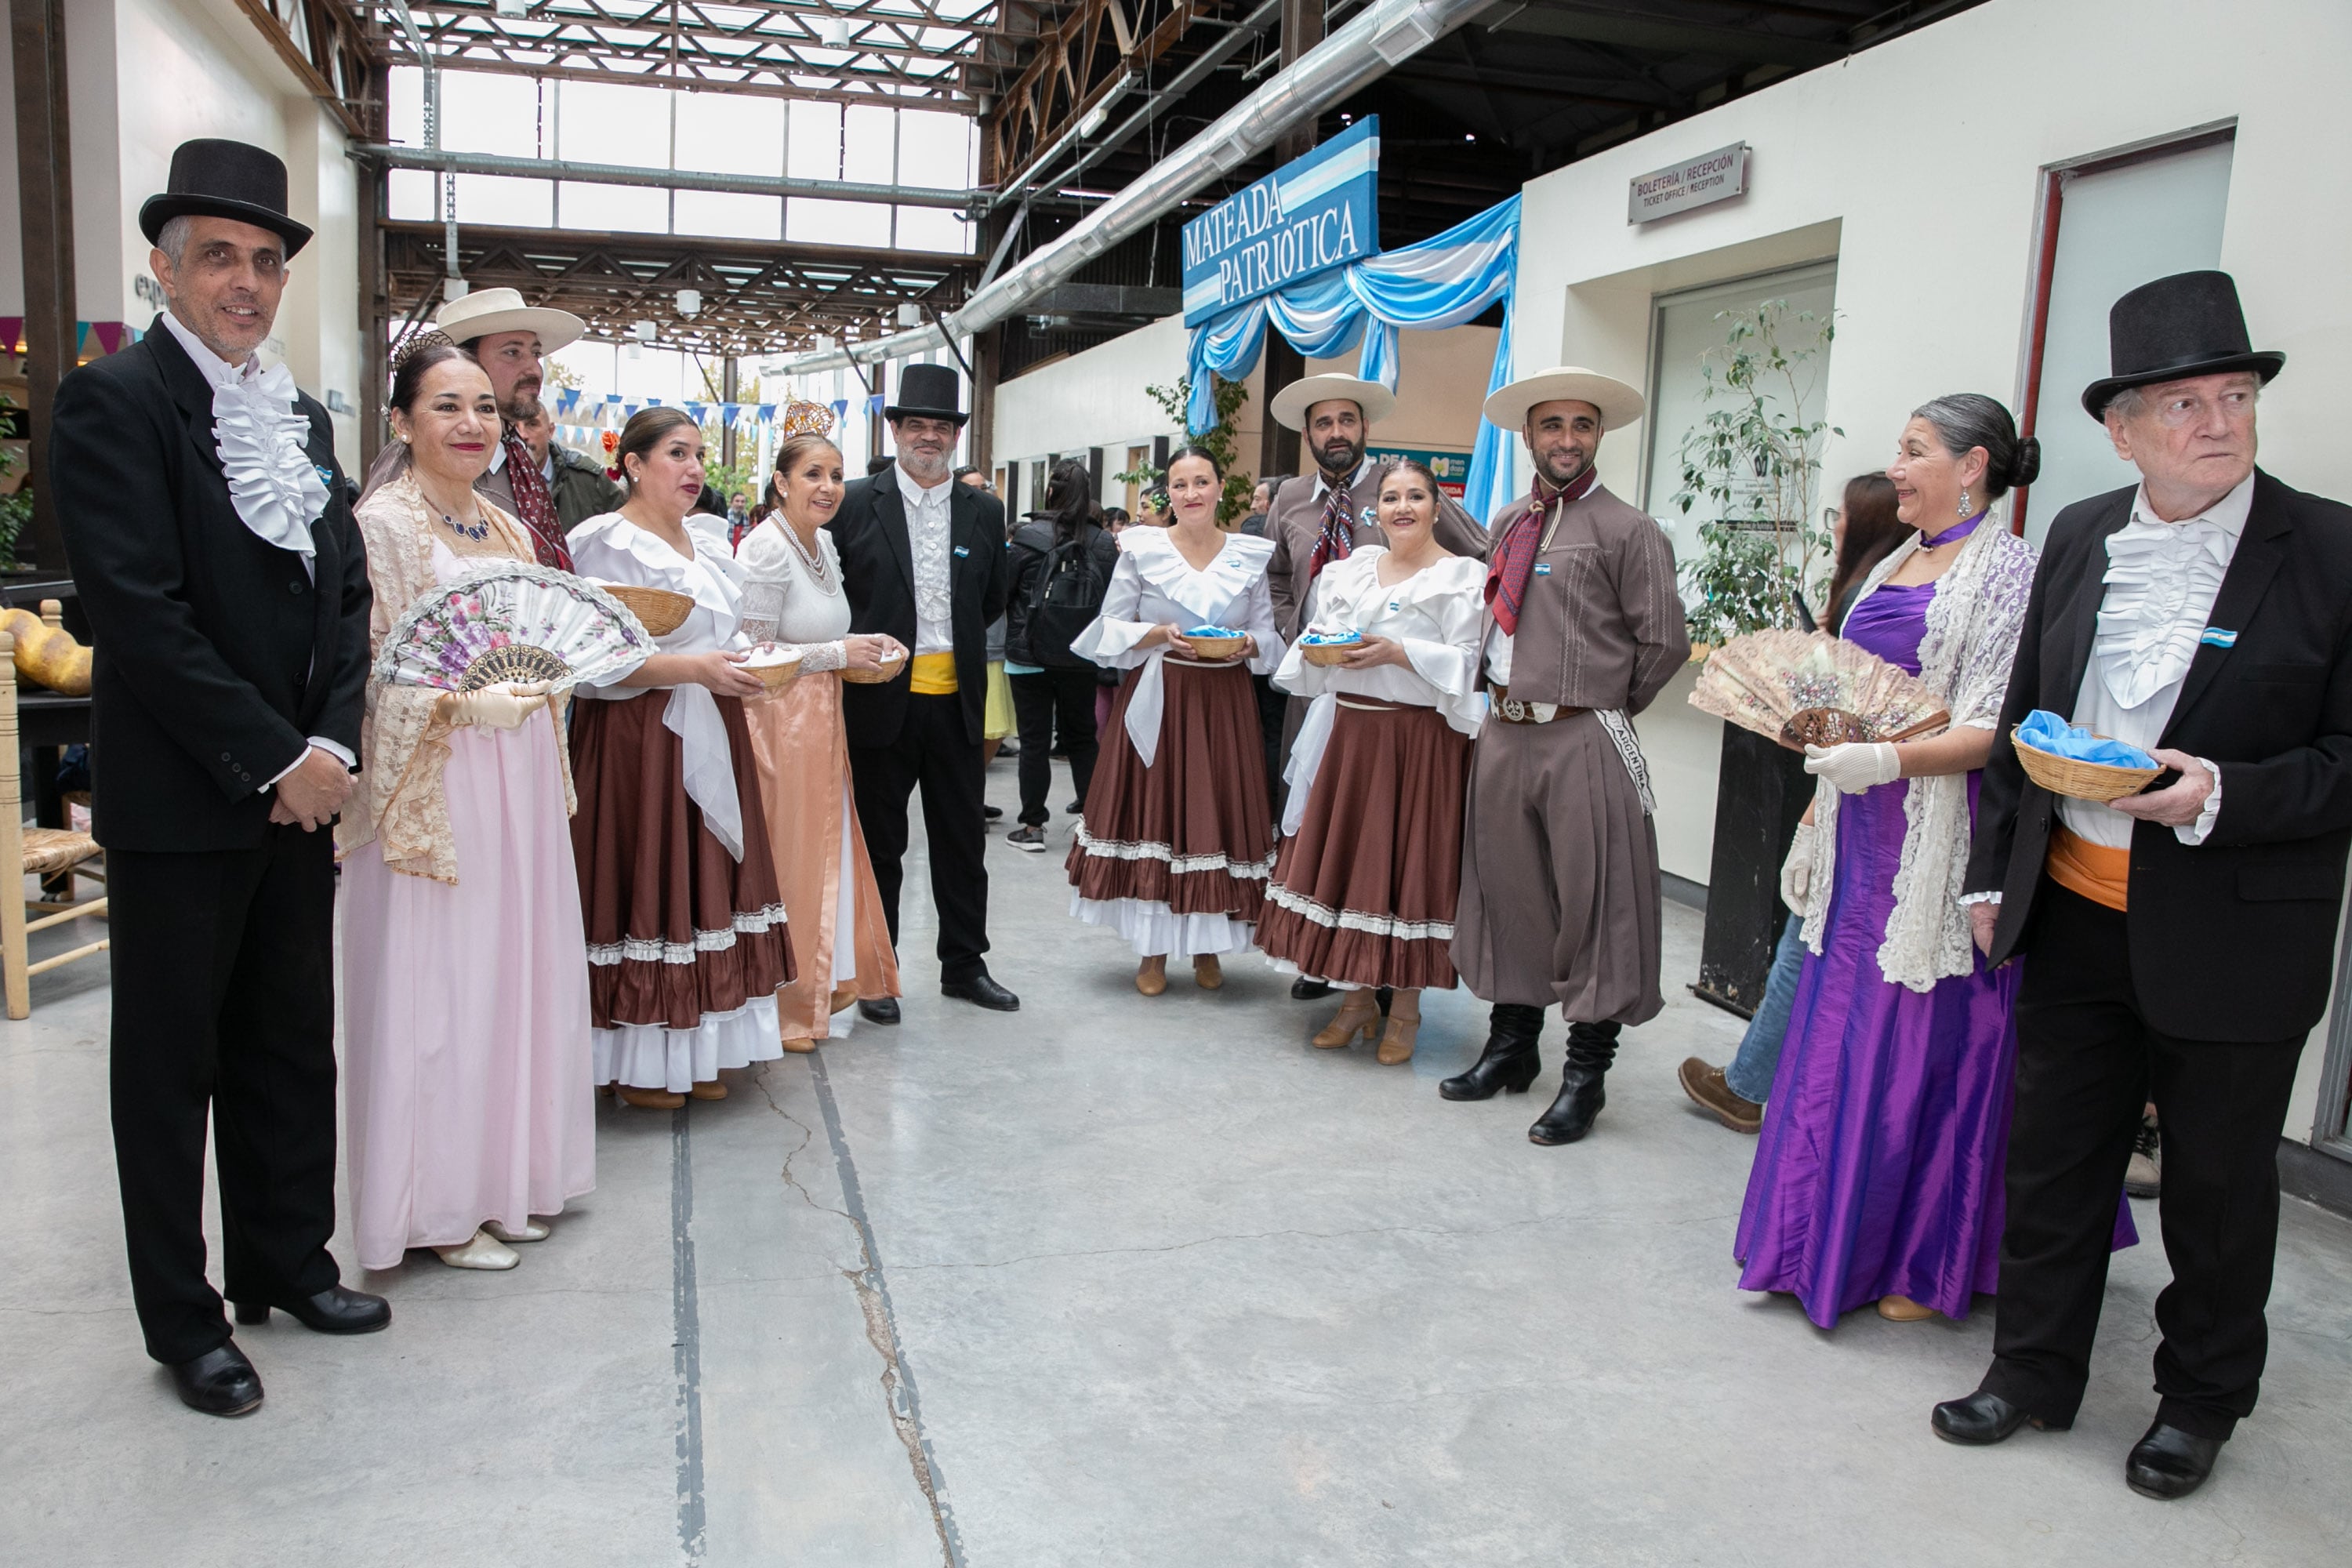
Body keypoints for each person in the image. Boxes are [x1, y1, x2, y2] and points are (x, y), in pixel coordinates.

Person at [1933, 271, 2352, 1501]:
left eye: (2235, 396)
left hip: (2234, 932)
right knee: (2053, 1160)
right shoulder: (2076, 533)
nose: (2218, 421)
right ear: (2122, 430)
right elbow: (2023, 723)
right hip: (2069, 911)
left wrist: (2220, 792)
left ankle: (2201, 1399)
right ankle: (2032, 1368)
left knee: (2218, 1193)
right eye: (2183, 404)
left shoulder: (2331, 548)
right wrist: (1989, 877)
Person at [51, 138, 387, 1417]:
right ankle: (183, 1322)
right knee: (170, 1066)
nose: (244, 282)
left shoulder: (297, 417)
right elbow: (139, 614)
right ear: (164, 268)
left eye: (263, 261)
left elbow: (346, 596)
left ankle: (286, 1264)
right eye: (217, 258)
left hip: (309, 792)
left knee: (291, 1042)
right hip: (191, 800)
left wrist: (337, 748)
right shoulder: (116, 401)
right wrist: (274, 756)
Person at [1735, 395, 2124, 1330]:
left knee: (1927, 1037)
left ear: (1974, 464)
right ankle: (1808, 1236)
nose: (1895, 468)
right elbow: (1853, 679)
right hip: (1859, 834)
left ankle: (1920, 1250)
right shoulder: (1896, 559)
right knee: (1838, 1026)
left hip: (1942, 834)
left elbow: (1997, 726)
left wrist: (1887, 758)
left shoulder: (2009, 572)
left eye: (1912, 451)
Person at [341, 336, 594, 1272]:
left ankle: (501, 1180)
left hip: (517, 768)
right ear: (402, 422)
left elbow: (539, 638)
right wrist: (451, 702)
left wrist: (543, 682)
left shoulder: (510, 528)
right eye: (447, 405)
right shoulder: (385, 527)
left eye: (485, 406)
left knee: (509, 974)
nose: (471, 424)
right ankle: (434, 1206)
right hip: (435, 780)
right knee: (440, 986)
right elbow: (366, 671)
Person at [1443, 367, 1688, 1145]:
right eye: (1552, 425)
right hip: (1505, 731)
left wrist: (1595, 703)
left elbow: (1663, 643)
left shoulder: (1628, 529)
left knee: (1598, 902)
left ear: (1599, 435)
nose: (1566, 439)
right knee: (1508, 892)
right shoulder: (1512, 519)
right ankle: (1512, 1046)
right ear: (1528, 436)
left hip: (1585, 733)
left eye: (1581, 425)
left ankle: (1586, 1077)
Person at [568, 409, 793, 1108]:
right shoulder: (604, 541)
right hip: (643, 738)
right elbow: (588, 661)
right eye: (676, 454)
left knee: (703, 884)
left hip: (711, 722)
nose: (694, 469)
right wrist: (694, 671)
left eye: (698, 455)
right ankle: (639, 1057)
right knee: (651, 882)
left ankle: (695, 1043)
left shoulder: (705, 544)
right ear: (632, 464)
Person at [1679, 473, 1906, 1131]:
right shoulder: (1870, 593)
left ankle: (1750, 1085)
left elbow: (1847, 719)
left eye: (1840, 515)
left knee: (1808, 940)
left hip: (1866, 798)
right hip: (1864, 794)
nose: (1831, 524)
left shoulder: (1872, 600)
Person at [1262, 374, 1486, 1000]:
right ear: (1308, 435)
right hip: (1326, 688)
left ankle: (1392, 987)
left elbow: (1482, 563)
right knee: (1330, 830)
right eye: (1323, 423)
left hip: (1409, 708)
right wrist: (1294, 628)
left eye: (1347, 421)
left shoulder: (1400, 485)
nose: (1336, 432)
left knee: (1397, 843)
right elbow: (1277, 576)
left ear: (1365, 428)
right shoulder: (1290, 501)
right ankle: (1330, 960)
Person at [826, 362, 1020, 1015]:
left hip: (957, 702)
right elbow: (835, 601)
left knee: (962, 843)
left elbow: (992, 599)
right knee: (882, 844)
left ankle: (965, 966)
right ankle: (879, 973)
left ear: (955, 436)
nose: (929, 437)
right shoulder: (854, 503)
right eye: (917, 425)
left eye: (941, 426)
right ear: (897, 430)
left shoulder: (984, 510)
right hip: (881, 701)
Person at [1067, 445, 1286, 993]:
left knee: (1218, 820)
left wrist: (1247, 644)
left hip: (1225, 704)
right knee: (1158, 819)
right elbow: (1108, 631)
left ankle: (1210, 947)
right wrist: (1159, 636)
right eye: (1180, 484)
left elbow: (1270, 639)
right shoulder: (1142, 550)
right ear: (1171, 493)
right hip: (1160, 697)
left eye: (1201, 482)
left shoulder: (1248, 557)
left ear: (1220, 489)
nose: (1191, 494)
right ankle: (1154, 951)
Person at [736, 407, 906, 1053]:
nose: (829, 486)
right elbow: (748, 652)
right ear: (781, 482)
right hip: (777, 722)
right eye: (812, 474)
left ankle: (820, 982)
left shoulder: (824, 544)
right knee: (790, 858)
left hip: (822, 719)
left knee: (827, 850)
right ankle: (781, 1002)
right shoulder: (764, 548)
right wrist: (838, 655)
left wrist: (858, 644)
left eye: (836, 474)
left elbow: (820, 632)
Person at [361, 286, 583, 570]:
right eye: (513, 352)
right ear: (465, 361)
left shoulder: (517, 456)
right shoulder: (413, 459)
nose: (535, 370)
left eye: (536, 354)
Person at [1006, 459, 1119, 851]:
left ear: (1049, 492)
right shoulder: (1104, 543)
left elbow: (1004, 594)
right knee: (1083, 738)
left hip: (1029, 655)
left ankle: (1033, 827)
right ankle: (1092, 825)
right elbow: (1114, 603)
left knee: (1034, 742)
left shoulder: (1027, 537)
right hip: (1081, 656)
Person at [514, 397, 627, 532]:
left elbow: (623, 529)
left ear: (550, 431)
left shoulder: (590, 480)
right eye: (514, 427)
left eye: (532, 424)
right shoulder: (491, 481)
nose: (522, 434)